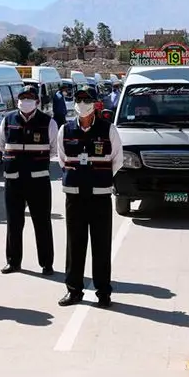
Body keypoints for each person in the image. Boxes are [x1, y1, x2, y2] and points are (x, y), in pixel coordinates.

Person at [57, 86, 122, 307]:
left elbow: (117, 159)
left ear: (95, 103)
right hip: (74, 197)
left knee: (101, 245)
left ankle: (103, 292)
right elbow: (62, 158)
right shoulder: (65, 130)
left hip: (100, 196)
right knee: (74, 244)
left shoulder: (108, 129)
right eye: (79, 100)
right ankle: (74, 291)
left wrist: (99, 179)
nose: (82, 104)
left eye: (87, 100)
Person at [0, 85, 58, 275]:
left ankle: (46, 264)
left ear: (37, 102)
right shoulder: (8, 120)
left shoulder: (48, 122)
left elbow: (55, 149)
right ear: (18, 101)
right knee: (14, 222)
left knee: (42, 223)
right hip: (13, 180)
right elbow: (0, 145)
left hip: (38, 181)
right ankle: (13, 262)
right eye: (23, 98)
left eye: (30, 98)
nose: (26, 101)